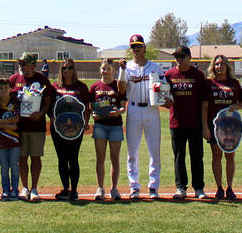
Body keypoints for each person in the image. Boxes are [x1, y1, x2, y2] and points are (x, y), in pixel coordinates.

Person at [164, 45, 210, 199]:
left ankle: (198, 188)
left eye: (182, 56)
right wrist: (163, 101)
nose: (178, 59)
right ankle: (181, 187)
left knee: (197, 156)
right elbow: (165, 99)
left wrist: (204, 126)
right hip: (176, 122)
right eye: (176, 56)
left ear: (189, 58)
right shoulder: (169, 74)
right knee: (179, 156)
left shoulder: (197, 75)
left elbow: (204, 101)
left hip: (195, 122)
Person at [122, 33, 163, 199]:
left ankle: (153, 186)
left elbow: (164, 88)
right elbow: (121, 90)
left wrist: (165, 98)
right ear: (130, 49)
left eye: (139, 46)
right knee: (132, 151)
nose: (136, 49)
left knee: (154, 150)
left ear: (144, 47)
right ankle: (134, 186)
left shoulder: (156, 67)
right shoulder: (127, 68)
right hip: (133, 109)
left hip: (152, 110)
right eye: (133, 46)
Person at [10, 51, 54, 200]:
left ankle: (34, 188)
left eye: (24, 63)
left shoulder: (42, 80)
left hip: (36, 125)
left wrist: (41, 114)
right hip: (19, 127)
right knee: (21, 158)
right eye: (20, 63)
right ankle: (24, 187)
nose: (21, 66)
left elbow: (48, 101)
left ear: (32, 65)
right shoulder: (14, 79)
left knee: (35, 157)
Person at [51, 58, 92, 200]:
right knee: (62, 159)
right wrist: (52, 118)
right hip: (58, 129)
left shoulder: (81, 87)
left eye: (69, 68)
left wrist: (86, 121)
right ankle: (65, 189)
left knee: (73, 158)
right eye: (64, 68)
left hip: (76, 129)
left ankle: (74, 190)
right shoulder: (55, 86)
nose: (67, 71)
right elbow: (49, 106)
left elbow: (87, 106)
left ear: (74, 70)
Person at [205, 53, 242, 200]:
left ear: (227, 66)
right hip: (215, 126)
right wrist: (205, 127)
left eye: (221, 63)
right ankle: (219, 187)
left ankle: (230, 187)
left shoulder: (234, 83)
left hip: (231, 125)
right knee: (216, 155)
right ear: (213, 67)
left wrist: (236, 106)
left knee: (230, 155)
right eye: (216, 64)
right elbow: (204, 106)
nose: (219, 66)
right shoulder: (209, 83)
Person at [90, 58, 127, 201]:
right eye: (103, 68)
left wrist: (119, 111)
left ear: (113, 70)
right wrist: (94, 113)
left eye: (108, 69)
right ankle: (100, 188)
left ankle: (114, 188)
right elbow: (91, 107)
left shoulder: (118, 86)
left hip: (115, 125)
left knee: (115, 158)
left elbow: (123, 106)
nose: (105, 71)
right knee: (100, 158)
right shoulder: (95, 87)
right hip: (100, 125)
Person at [0, 78, 22, 198]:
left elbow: (16, 119)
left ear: (10, 89)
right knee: (4, 167)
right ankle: (5, 190)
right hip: (0, 141)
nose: (3, 91)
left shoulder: (15, 102)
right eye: (1, 88)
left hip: (14, 141)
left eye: (5, 88)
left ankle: (15, 189)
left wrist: (1, 121)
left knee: (14, 166)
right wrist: (8, 125)